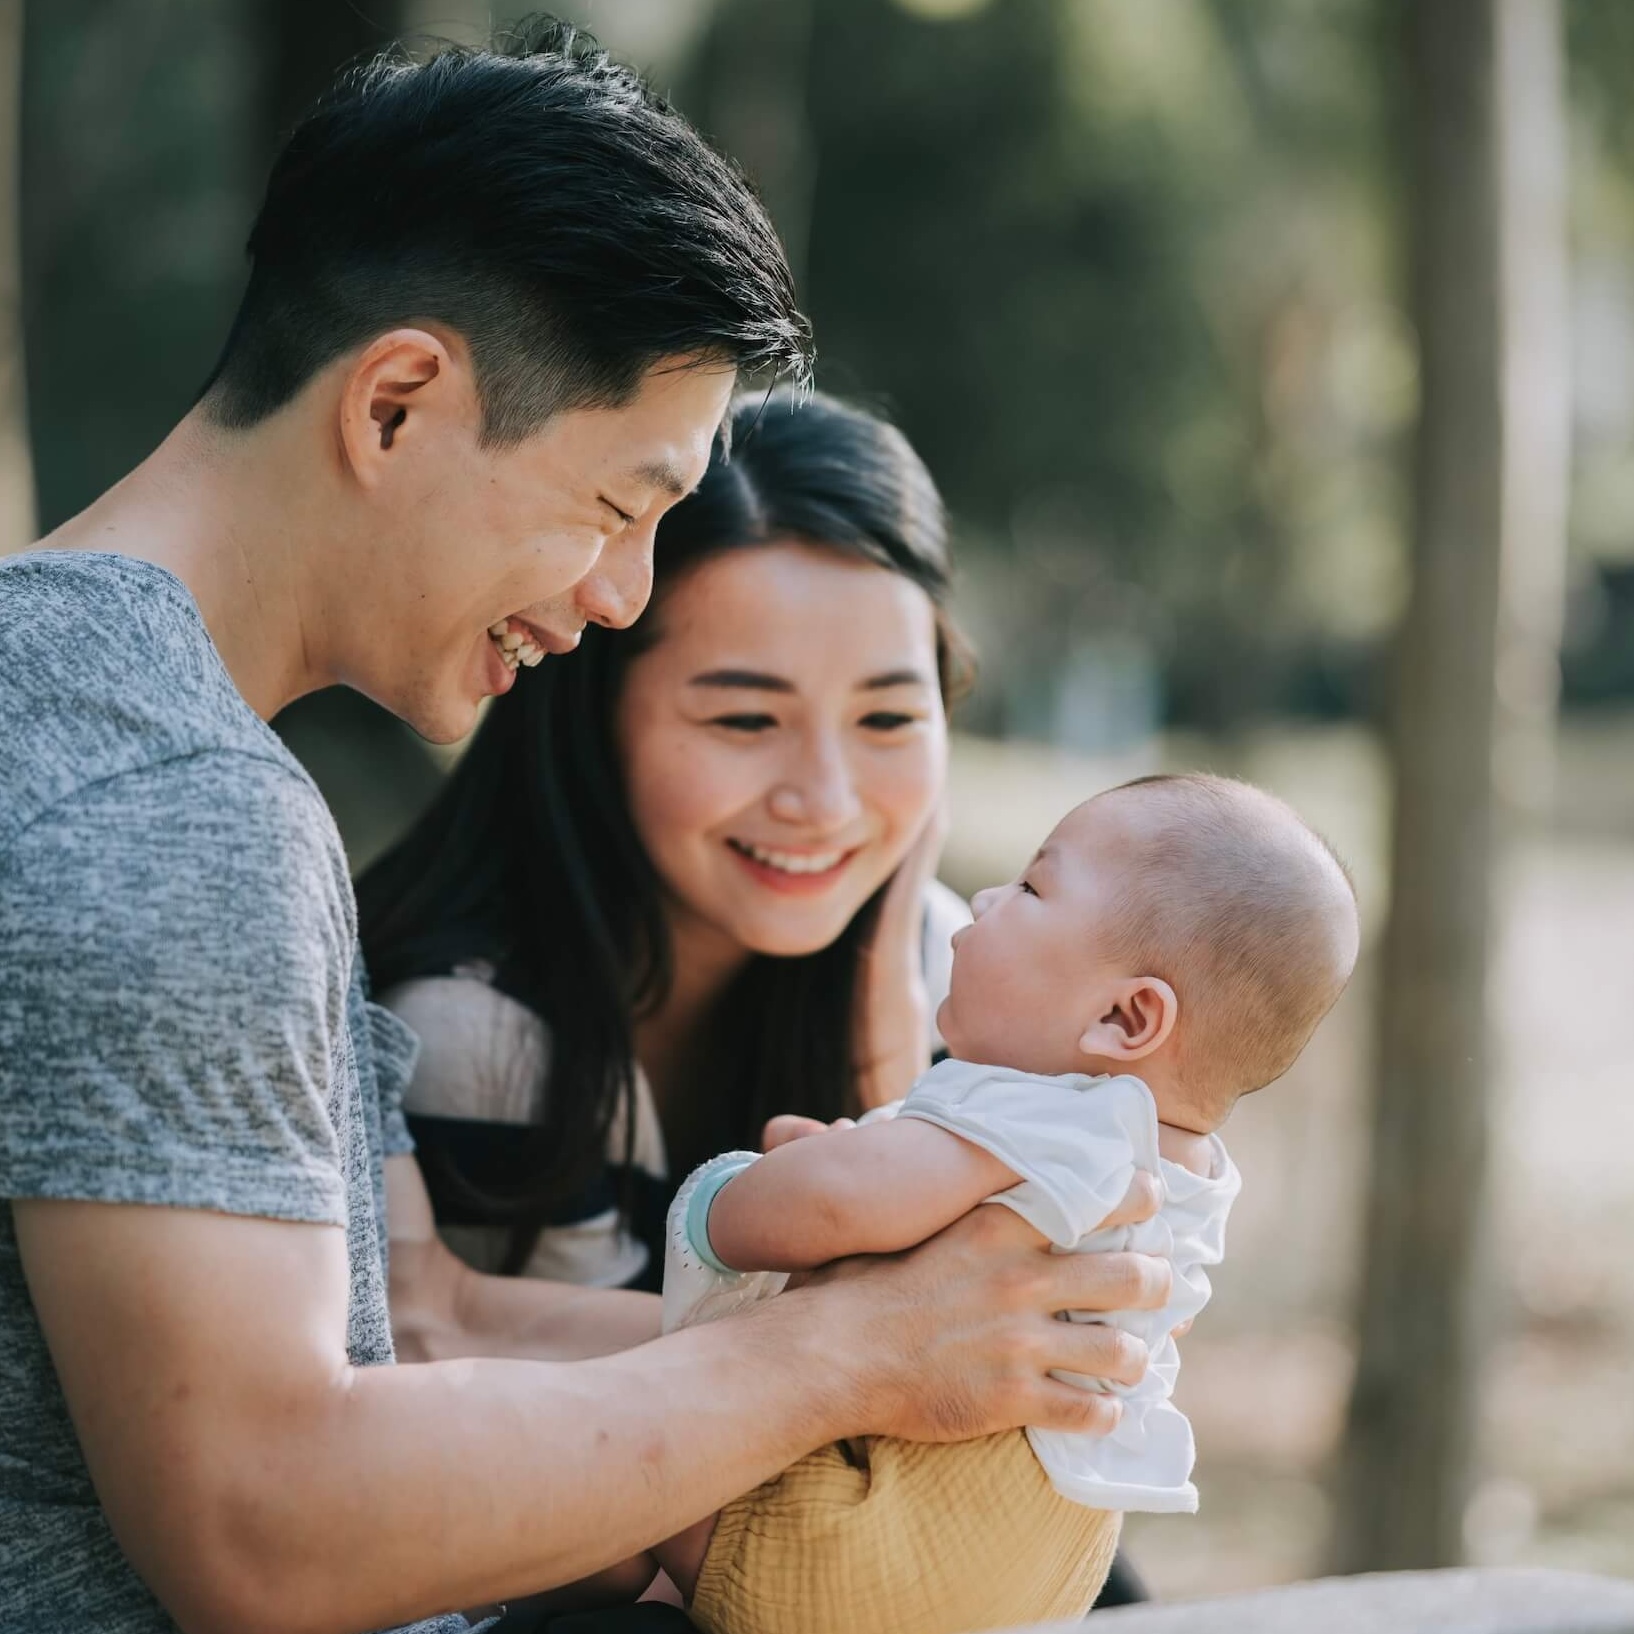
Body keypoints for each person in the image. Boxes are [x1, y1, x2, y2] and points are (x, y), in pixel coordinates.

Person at [0, 25, 1170, 1634]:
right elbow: (260, 1523)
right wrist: (849, 1348)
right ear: (397, 402)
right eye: (617, 507)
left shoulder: (67, 707)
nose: (618, 596)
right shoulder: (178, 814)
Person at [643, 774, 1360, 1634]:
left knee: (630, 1469)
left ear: (1127, 1019)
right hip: (1043, 1564)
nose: (984, 896)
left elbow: (831, 1209)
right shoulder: (1179, 1163)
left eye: (1030, 887)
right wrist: (866, 1154)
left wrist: (725, 1198)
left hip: (858, 1547)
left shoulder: (1049, 1109)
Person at [356, 387, 973, 1296]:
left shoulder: (943, 963)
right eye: (745, 719)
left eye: (887, 717)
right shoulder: (478, 1041)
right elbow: (640, 1420)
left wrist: (891, 1068)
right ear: (593, 714)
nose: (826, 801)